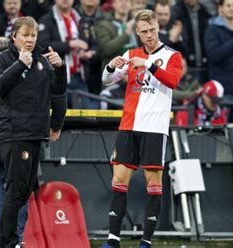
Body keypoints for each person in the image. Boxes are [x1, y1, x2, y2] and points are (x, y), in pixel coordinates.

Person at [0, 37, 67, 247]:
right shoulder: (33, 65)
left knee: (3, 196)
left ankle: (1, 241)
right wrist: (56, 123)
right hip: (27, 138)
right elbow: (57, 96)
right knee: (21, 193)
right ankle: (15, 240)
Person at [101, 9, 182, 248]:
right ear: (137, 32)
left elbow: (173, 81)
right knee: (118, 181)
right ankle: (113, 240)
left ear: (158, 27)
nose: (149, 35)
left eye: (152, 30)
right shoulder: (130, 53)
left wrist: (148, 64)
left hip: (155, 128)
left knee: (153, 184)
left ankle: (146, 241)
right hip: (129, 125)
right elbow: (107, 81)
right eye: (144, 31)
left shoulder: (172, 55)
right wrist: (110, 66)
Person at [0, 16, 67, 248]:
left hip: (35, 133)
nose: (30, 40)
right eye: (25, 35)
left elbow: (59, 90)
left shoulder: (42, 60)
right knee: (15, 190)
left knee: (25, 192)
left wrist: (60, 69)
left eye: (33, 35)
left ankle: (3, 241)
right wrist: (19, 65)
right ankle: (7, 241)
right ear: (14, 36)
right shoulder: (1, 58)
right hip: (13, 133)